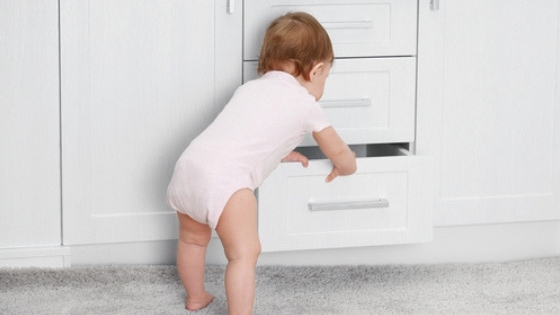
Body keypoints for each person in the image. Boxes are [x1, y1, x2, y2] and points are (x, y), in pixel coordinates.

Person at [166, 11, 357, 314]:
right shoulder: (306, 104)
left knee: (192, 240)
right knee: (244, 254)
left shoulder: (249, 89)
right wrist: (348, 166)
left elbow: (247, 134)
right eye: (327, 77)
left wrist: (280, 153)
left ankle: (195, 296)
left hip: (189, 167)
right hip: (226, 181)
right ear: (317, 70)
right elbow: (338, 151)